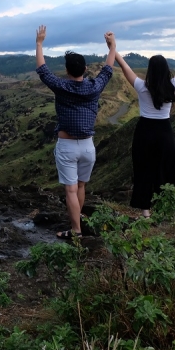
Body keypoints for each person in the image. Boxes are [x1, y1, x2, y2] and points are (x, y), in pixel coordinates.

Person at [114, 28, 175, 218]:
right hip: (164, 131)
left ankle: (145, 210)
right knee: (165, 168)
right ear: (166, 69)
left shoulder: (142, 87)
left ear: (150, 70)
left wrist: (113, 48)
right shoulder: (172, 86)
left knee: (143, 168)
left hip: (144, 131)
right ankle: (163, 205)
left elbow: (125, 67)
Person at [35, 25, 117, 239]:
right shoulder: (94, 87)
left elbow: (43, 70)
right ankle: (76, 225)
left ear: (67, 70)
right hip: (88, 146)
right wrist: (112, 46)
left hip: (67, 145)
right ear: (85, 69)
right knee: (81, 186)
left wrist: (39, 43)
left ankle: (76, 231)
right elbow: (108, 69)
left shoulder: (61, 87)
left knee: (71, 190)